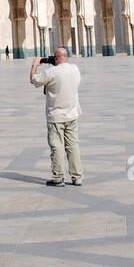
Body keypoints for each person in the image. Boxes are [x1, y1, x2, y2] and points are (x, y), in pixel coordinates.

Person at [30, 47, 83, 187]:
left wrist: (35, 64)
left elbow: (34, 80)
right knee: (73, 146)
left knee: (57, 146)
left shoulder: (51, 72)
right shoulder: (75, 69)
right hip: (72, 114)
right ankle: (77, 177)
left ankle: (58, 177)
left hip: (56, 116)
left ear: (57, 57)